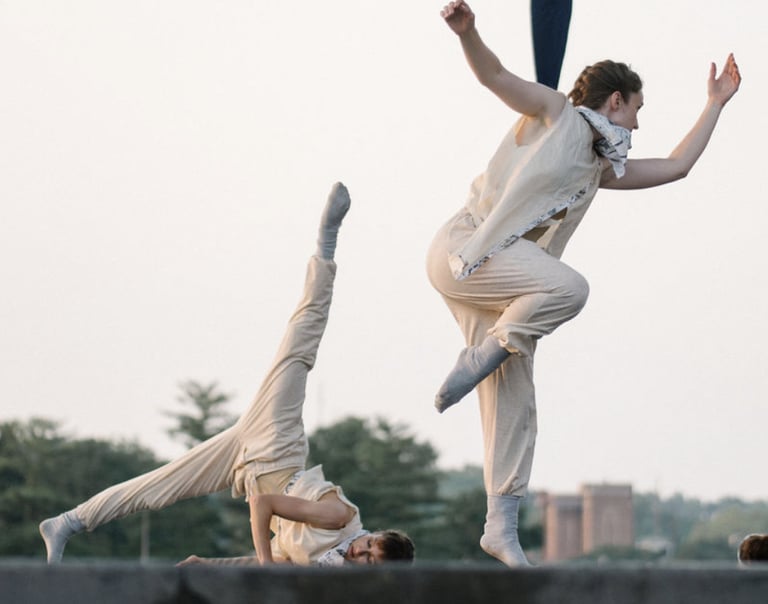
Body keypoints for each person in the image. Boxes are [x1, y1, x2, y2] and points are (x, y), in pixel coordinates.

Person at [427, 0, 741, 567]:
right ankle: (480, 356)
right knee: (570, 289)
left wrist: (714, 105)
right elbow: (494, 76)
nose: (638, 124)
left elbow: (676, 167)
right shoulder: (556, 113)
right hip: (465, 250)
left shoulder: (598, 167)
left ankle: (500, 524)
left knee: (516, 395)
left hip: (508, 279)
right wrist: (468, 33)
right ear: (615, 100)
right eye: (637, 109)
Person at [39, 183, 415, 567]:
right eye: (370, 543)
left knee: (158, 489)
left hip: (243, 465)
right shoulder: (339, 519)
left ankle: (66, 522)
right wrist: (266, 565)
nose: (360, 550)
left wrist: (207, 569)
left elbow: (273, 561)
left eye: (369, 559)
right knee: (298, 349)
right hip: (275, 443)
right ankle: (327, 242)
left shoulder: (323, 566)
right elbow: (263, 505)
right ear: (371, 533)